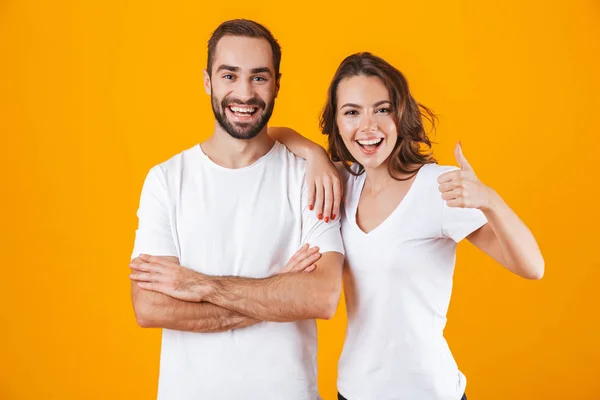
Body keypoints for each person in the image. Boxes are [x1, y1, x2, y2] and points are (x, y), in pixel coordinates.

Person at [271, 52, 545, 400]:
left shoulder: (438, 186)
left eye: (381, 109)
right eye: (352, 112)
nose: (367, 126)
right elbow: (271, 134)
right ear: (336, 122)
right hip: (354, 391)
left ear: (400, 115)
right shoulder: (341, 182)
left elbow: (532, 267)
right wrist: (315, 155)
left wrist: (490, 200)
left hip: (428, 391)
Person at [128, 19, 345, 400]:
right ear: (207, 80)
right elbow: (150, 306)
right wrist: (278, 291)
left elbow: (321, 297)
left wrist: (198, 285)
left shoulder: (310, 179)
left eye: (259, 78)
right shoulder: (165, 179)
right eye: (229, 75)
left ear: (277, 83)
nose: (244, 93)